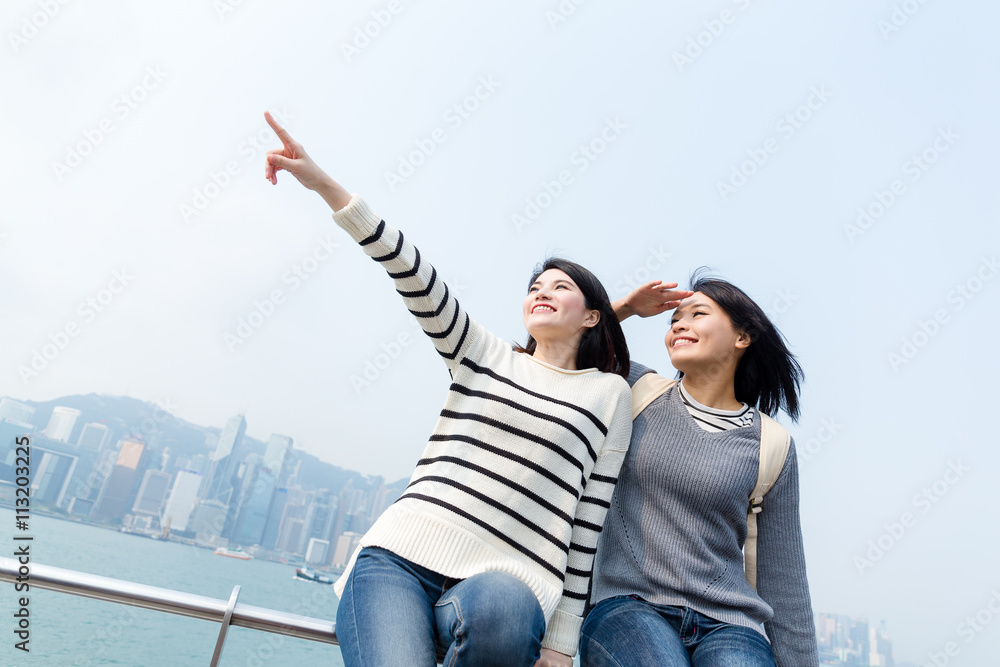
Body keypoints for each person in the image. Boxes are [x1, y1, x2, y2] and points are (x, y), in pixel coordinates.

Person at [261, 111, 684, 666]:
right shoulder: (484, 354)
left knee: (507, 608)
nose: (543, 291)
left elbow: (588, 522)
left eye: (561, 286)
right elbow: (412, 274)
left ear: (590, 316)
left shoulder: (608, 395)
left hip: (505, 584)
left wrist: (560, 641)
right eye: (535, 286)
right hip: (398, 559)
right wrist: (323, 183)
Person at [580, 275, 819, 666]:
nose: (678, 323)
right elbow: (551, 350)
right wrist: (624, 307)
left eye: (697, 314)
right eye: (674, 318)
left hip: (730, 624)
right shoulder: (637, 391)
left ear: (742, 337)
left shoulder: (771, 445)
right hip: (627, 606)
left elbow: (784, 581)